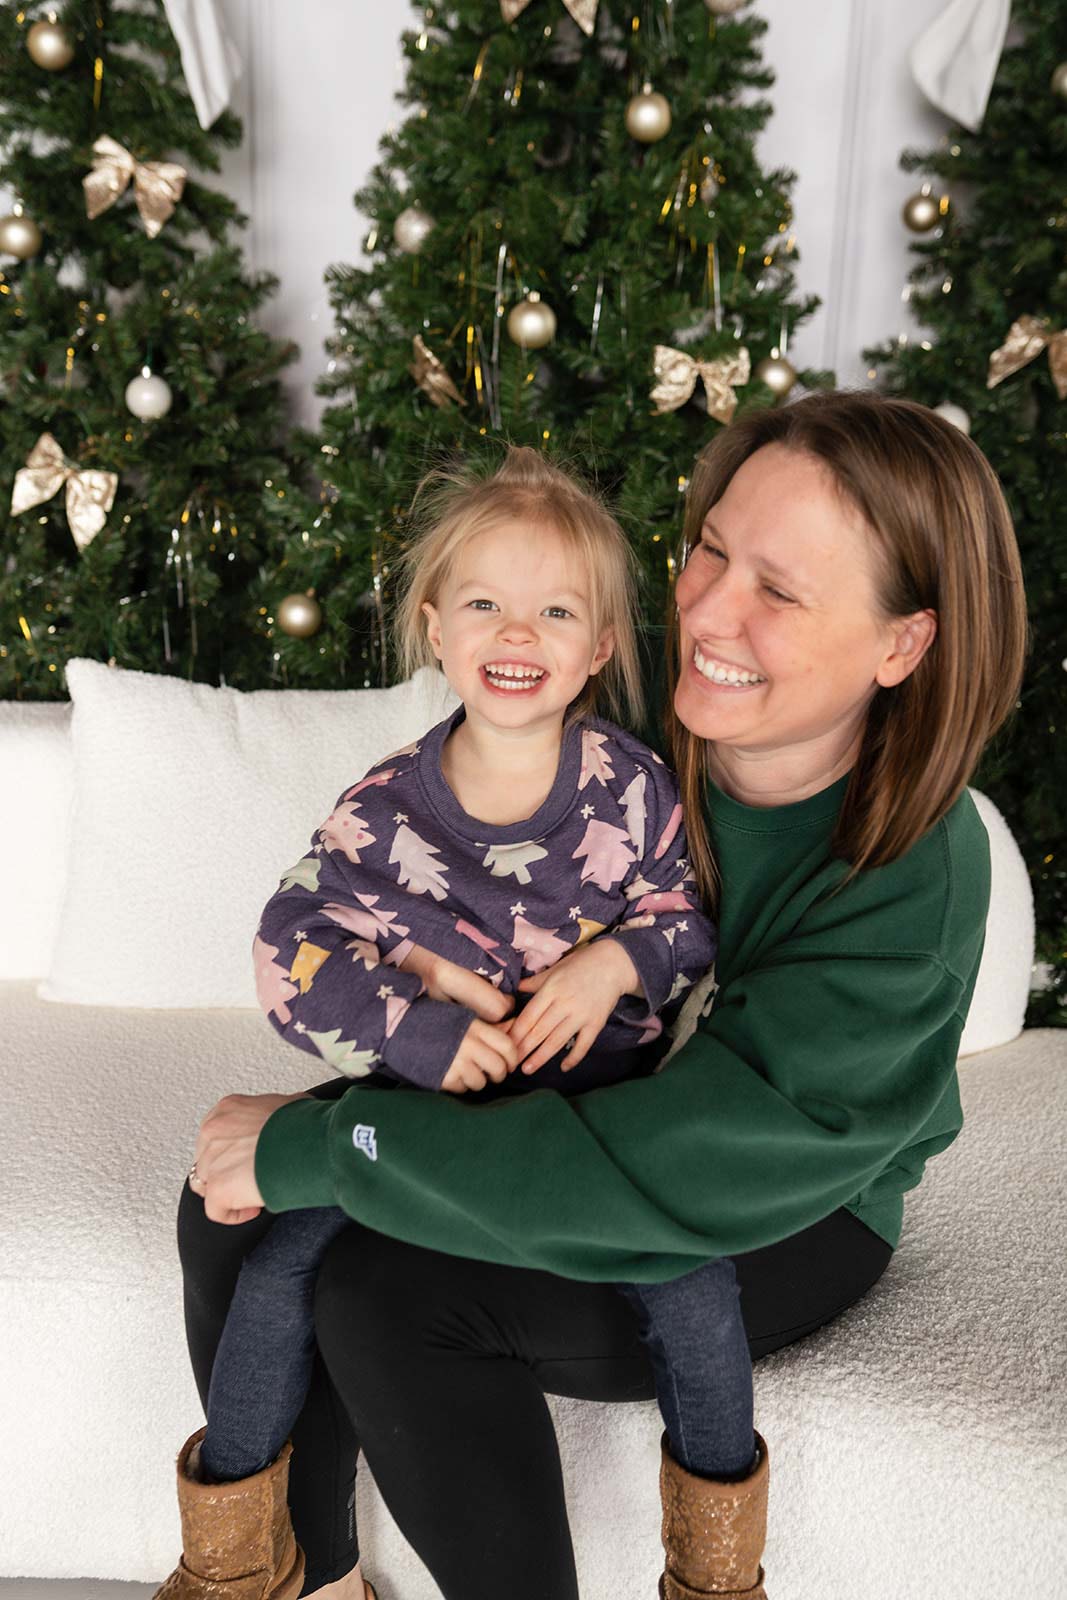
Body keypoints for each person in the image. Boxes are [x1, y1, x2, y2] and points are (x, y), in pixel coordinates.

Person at [180, 391, 1027, 1600]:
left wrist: (336, 1138)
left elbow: (674, 1164)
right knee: (226, 1206)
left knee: (387, 1291)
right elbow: (431, 875)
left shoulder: (910, 882)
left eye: (777, 591)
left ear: (900, 646)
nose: (709, 611)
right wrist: (413, 990)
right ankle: (308, 1581)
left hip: (769, 1204)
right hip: (566, 1091)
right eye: (709, 551)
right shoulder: (630, 736)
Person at [161, 444, 732, 1600]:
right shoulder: (382, 811)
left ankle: (718, 1577)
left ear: (599, 647)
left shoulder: (630, 789)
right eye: (484, 604)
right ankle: (242, 1569)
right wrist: (414, 1026)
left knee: (695, 1286)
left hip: (593, 1122)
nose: (516, 635)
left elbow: (688, 921)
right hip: (424, 1109)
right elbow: (291, 949)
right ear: (435, 626)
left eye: (553, 610)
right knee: (281, 1269)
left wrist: (612, 961)